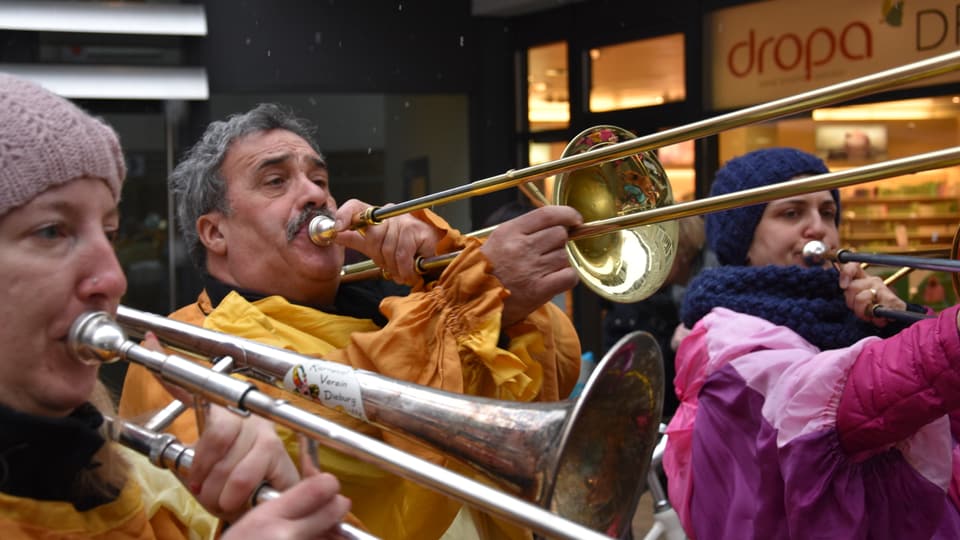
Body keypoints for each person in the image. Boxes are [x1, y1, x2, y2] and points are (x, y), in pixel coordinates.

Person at [118, 103, 583, 539]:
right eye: (276, 181)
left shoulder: (403, 302)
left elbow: (557, 370)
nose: (315, 194)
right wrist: (472, 291)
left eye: (319, 178)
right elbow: (326, 429)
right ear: (215, 232)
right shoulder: (184, 346)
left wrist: (446, 264)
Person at [0, 73, 352, 538]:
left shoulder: (96, 466)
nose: (114, 279)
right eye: (52, 231)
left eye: (109, 234)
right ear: (214, 233)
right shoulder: (180, 354)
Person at [662, 147, 960, 539]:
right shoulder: (725, 338)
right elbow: (839, 402)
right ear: (743, 243)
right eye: (791, 213)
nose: (817, 228)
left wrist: (899, 318)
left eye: (827, 212)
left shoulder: (848, 318)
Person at [602, 215, 715, 418]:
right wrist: (670, 347)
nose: (644, 260)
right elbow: (622, 380)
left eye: (655, 252)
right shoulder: (631, 301)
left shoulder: (713, 289)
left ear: (682, 252)